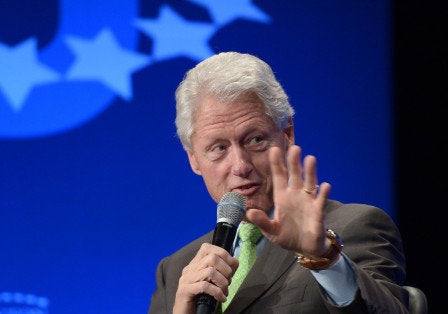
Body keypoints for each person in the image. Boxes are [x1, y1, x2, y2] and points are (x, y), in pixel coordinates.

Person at [148, 52, 408, 313]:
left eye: (255, 140)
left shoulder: (354, 227)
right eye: (219, 147)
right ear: (194, 159)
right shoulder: (175, 271)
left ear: (287, 134)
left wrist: (325, 258)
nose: (240, 165)